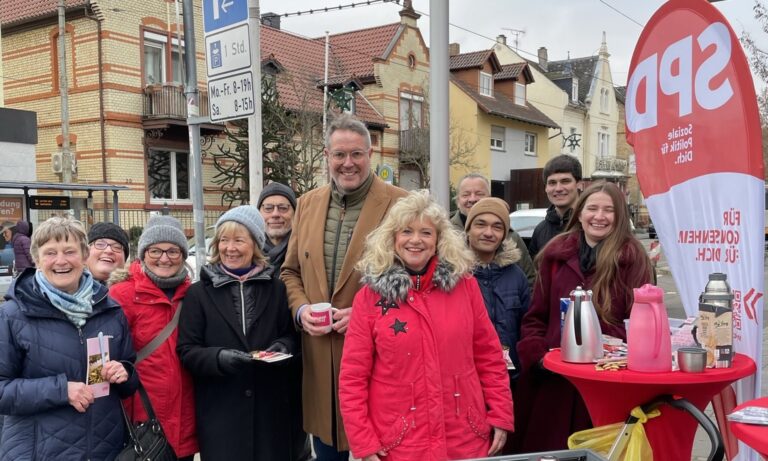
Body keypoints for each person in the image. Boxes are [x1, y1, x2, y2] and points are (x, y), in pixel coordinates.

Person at [339, 190, 514, 461]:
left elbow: (489, 356)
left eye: (426, 233)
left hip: (462, 436)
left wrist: (501, 413)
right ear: (393, 239)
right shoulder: (370, 298)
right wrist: (363, 442)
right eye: (407, 231)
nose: (416, 240)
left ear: (439, 240)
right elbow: (353, 377)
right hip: (400, 442)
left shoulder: (465, 287)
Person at [281, 113, 407, 460]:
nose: (347, 163)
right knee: (327, 449)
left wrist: (370, 315)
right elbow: (290, 271)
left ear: (370, 154)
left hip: (379, 359)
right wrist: (302, 310)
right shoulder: (307, 203)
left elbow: (417, 280)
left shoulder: (401, 204)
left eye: (356, 154)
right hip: (321, 360)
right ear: (327, 156)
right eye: (339, 154)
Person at [515, 181, 653, 452]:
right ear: (579, 213)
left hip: (606, 387)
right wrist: (539, 356)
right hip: (554, 383)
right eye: (592, 208)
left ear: (620, 217)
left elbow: (641, 325)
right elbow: (535, 317)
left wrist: (606, 351)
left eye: (608, 210)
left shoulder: (633, 259)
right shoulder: (555, 255)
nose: (599, 216)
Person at [0, 216, 138, 459]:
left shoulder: (110, 310)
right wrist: (61, 390)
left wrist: (123, 373)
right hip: (38, 452)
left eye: (69, 251)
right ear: (37, 259)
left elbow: (129, 374)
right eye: (50, 252)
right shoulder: (13, 314)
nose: (61, 261)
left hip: (104, 449)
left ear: (84, 255)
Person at [178, 205, 307, 460]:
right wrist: (218, 358)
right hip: (221, 414)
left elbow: (292, 337)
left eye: (239, 240)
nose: (230, 248)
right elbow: (187, 350)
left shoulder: (276, 289)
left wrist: (283, 347)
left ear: (256, 245)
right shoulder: (198, 294)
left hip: (270, 414)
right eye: (224, 240)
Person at [109, 215, 198, 460]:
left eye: (173, 251)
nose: (164, 258)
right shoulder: (122, 294)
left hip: (184, 418)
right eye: (155, 250)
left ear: (183, 254)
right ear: (143, 253)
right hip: (142, 419)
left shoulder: (192, 295)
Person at [465, 197, 530, 378]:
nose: (488, 232)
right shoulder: (452, 274)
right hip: (467, 377)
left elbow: (527, 325)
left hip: (509, 376)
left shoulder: (516, 275)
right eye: (480, 224)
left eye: (497, 227)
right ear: (468, 229)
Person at [450, 174, 536, 288]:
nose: (472, 199)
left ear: (489, 197)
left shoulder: (511, 237)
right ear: (457, 200)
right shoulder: (443, 233)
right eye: (466, 194)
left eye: (479, 194)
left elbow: (530, 281)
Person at [529, 154, 583, 258]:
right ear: (546, 188)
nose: (558, 188)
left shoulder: (591, 225)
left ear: (579, 184)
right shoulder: (540, 230)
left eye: (565, 181)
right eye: (552, 183)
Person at [258, 181, 297, 274]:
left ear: (295, 213)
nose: (275, 214)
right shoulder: (246, 253)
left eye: (283, 208)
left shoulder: (306, 252)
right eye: (268, 208)